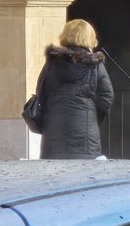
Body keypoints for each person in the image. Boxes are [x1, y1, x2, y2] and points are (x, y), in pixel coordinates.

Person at [34, 19, 114, 160]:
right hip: (86, 136)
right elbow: (106, 96)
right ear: (89, 37)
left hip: (54, 133)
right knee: (86, 178)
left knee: (55, 178)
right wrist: (91, 116)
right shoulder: (95, 64)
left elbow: (41, 93)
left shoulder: (52, 63)